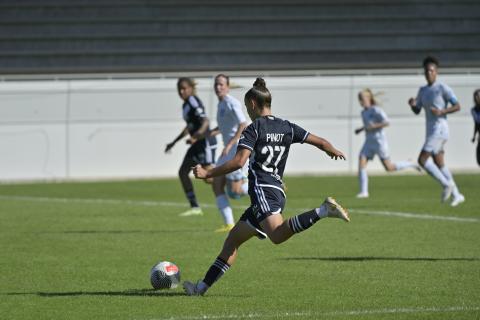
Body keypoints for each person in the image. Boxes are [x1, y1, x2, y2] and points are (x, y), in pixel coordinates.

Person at [183, 78, 350, 296]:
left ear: (253, 103)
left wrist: (209, 172)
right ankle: (200, 288)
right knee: (232, 241)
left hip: (263, 190)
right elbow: (319, 141)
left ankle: (323, 210)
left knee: (278, 236)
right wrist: (332, 150)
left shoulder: (254, 129)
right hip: (275, 191)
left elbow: (238, 162)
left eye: (247, 107)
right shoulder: (287, 127)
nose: (247, 112)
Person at [408, 56, 465, 206]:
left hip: (440, 129)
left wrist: (442, 111)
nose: (429, 73)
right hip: (430, 130)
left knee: (422, 160)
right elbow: (417, 110)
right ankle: (457, 195)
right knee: (439, 163)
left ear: (436, 72)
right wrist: (413, 104)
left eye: (431, 70)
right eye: (426, 71)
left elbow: (457, 106)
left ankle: (446, 184)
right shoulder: (423, 90)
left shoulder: (443, 88)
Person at [165, 77, 217, 216]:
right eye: (179, 89)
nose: (181, 91)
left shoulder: (193, 101)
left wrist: (196, 136)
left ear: (191, 88)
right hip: (196, 144)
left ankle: (239, 182)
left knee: (209, 178)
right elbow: (189, 126)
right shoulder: (185, 105)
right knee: (183, 173)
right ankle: (195, 207)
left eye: (184, 88)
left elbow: (205, 121)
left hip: (204, 142)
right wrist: (174, 142)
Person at [355, 89, 419, 198]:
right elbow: (368, 125)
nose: (361, 102)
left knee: (389, 168)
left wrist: (374, 126)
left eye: (362, 99)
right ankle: (364, 192)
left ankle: (410, 163)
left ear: (369, 99)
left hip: (379, 142)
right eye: (359, 99)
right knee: (361, 161)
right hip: (369, 141)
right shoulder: (363, 112)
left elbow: (386, 122)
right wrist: (361, 129)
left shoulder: (376, 110)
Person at [209, 74, 249, 232]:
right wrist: (207, 134)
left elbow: (243, 124)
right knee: (216, 184)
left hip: (235, 149)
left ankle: (261, 184)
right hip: (227, 149)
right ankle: (229, 223)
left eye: (221, 84)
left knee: (235, 192)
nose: (218, 87)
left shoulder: (232, 103)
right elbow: (226, 127)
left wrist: (229, 145)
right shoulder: (221, 104)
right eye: (216, 84)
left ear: (227, 86)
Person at [471, 89, 480, 166]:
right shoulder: (474, 110)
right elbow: (477, 123)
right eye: (476, 96)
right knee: (479, 159)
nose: (477, 98)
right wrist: (474, 136)